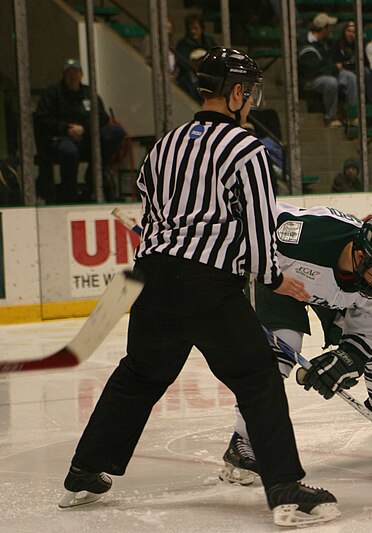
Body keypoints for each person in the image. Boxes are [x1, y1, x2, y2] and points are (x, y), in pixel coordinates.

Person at [57, 48, 340, 527]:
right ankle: (286, 490)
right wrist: (273, 277)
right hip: (205, 282)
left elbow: (150, 213)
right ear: (235, 93)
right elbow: (257, 224)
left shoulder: (163, 145)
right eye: (249, 92)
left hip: (151, 276)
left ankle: (84, 473)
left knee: (139, 376)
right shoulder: (246, 148)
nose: (251, 101)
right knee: (257, 378)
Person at [219, 210, 372, 486]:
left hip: (334, 296)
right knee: (280, 350)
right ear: (360, 256)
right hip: (279, 283)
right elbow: (251, 232)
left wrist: (348, 359)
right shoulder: (301, 237)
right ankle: (243, 439)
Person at [33, 59, 126, 203]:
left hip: (88, 138)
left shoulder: (89, 93)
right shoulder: (53, 93)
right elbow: (43, 118)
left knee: (115, 132)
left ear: (81, 75)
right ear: (64, 75)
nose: (72, 76)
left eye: (75, 72)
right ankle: (69, 193)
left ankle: (95, 172)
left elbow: (102, 117)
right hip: (62, 139)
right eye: (69, 72)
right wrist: (66, 128)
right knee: (69, 151)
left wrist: (85, 129)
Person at [298, 13, 358, 127]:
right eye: (330, 27)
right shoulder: (306, 45)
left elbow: (328, 64)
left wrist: (333, 68)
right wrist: (334, 68)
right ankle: (331, 117)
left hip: (327, 73)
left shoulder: (325, 43)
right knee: (330, 82)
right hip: (309, 80)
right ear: (323, 29)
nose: (331, 29)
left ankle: (353, 115)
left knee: (350, 77)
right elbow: (312, 71)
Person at [334, 20, 372, 105]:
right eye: (348, 31)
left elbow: (365, 63)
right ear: (344, 31)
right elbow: (338, 64)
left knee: (365, 71)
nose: (351, 34)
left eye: (354, 32)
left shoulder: (361, 45)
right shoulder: (337, 45)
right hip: (344, 73)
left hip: (357, 70)